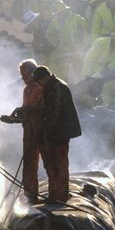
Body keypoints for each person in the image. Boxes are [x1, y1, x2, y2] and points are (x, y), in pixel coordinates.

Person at [33, 66, 81, 202]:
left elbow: (55, 113)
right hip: (56, 132)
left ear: (45, 77)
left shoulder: (58, 88)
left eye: (39, 81)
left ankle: (60, 197)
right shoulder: (52, 87)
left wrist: (45, 129)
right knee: (53, 165)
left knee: (60, 165)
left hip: (60, 133)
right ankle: (55, 195)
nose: (39, 84)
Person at [1, 59, 44, 202]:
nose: (23, 79)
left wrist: (22, 110)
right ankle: (30, 196)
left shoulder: (40, 88)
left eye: (25, 76)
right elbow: (25, 115)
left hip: (41, 131)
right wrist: (11, 120)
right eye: (22, 77)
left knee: (50, 164)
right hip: (29, 132)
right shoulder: (26, 90)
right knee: (29, 165)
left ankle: (55, 196)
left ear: (33, 74)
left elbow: (40, 109)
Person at [82, 29, 115, 107]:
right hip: (92, 74)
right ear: (113, 40)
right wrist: (87, 75)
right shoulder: (100, 43)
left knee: (106, 89)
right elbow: (89, 59)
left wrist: (109, 72)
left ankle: (104, 107)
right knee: (88, 93)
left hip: (103, 75)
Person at [45, 0, 86, 84]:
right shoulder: (55, 22)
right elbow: (49, 34)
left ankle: (79, 91)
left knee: (78, 76)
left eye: (60, 13)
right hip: (62, 53)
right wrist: (56, 43)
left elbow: (85, 31)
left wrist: (82, 44)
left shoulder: (77, 19)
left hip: (76, 51)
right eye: (57, 14)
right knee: (62, 77)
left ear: (65, 11)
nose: (59, 16)